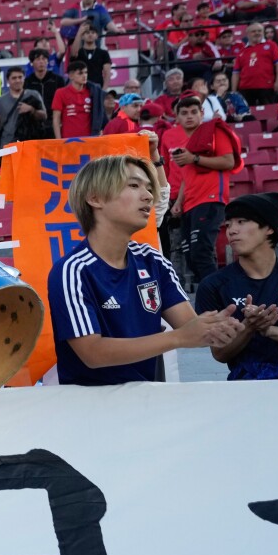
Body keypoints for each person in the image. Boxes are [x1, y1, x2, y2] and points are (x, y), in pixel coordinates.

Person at [49, 154, 240, 386]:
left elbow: (191, 328)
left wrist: (221, 327)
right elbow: (93, 354)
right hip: (89, 406)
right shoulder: (73, 271)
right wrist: (179, 337)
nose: (148, 195)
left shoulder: (153, 261)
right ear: (95, 198)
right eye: (133, 185)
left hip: (144, 399)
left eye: (149, 188)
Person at [194, 192, 278, 379]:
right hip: (246, 387)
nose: (231, 230)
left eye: (242, 222)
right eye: (228, 224)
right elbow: (220, 354)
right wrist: (248, 326)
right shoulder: (213, 285)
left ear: (269, 228)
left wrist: (268, 330)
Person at [168, 94, 242, 288]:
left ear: (202, 113)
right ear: (177, 118)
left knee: (201, 253)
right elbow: (187, 177)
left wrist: (195, 159)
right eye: (184, 113)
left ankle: (221, 301)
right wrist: (178, 202)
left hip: (209, 200)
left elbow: (229, 161)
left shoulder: (215, 131)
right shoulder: (189, 145)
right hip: (189, 204)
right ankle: (214, 300)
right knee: (192, 257)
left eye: (194, 112)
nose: (189, 116)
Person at [0, 67, 49, 153]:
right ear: (8, 81)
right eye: (14, 78)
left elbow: (44, 116)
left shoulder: (34, 94)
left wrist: (31, 109)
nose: (17, 80)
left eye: (20, 77)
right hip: (8, 145)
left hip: (31, 144)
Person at [232, 22, 278, 107]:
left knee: (268, 115)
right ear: (247, 34)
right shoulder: (242, 51)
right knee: (248, 115)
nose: (257, 33)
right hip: (245, 88)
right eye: (253, 31)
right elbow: (235, 73)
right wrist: (234, 91)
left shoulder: (271, 45)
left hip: (266, 86)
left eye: (259, 31)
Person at [52, 61, 99, 139]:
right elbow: (56, 119)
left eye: (85, 72)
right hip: (68, 140)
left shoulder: (92, 92)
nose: (84, 76)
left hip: (89, 140)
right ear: (71, 76)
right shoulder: (60, 93)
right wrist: (58, 140)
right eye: (80, 73)